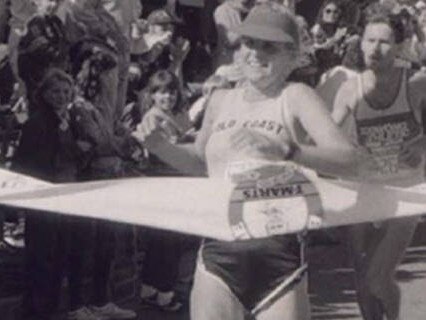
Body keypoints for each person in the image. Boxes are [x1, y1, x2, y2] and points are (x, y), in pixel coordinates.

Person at [133, 3, 357, 319]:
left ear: (291, 56)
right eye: (250, 42)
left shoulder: (295, 96)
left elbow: (349, 160)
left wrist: (289, 150)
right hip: (218, 255)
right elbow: (201, 163)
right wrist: (159, 146)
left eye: (269, 46)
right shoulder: (220, 100)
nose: (255, 53)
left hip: (279, 259)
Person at [332, 3, 426, 319]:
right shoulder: (349, 89)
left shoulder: (415, 83)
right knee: (361, 276)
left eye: (384, 41)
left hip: (405, 190)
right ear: (360, 43)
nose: (376, 48)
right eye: (369, 40)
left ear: (399, 45)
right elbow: (327, 139)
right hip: (364, 189)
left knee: (378, 275)